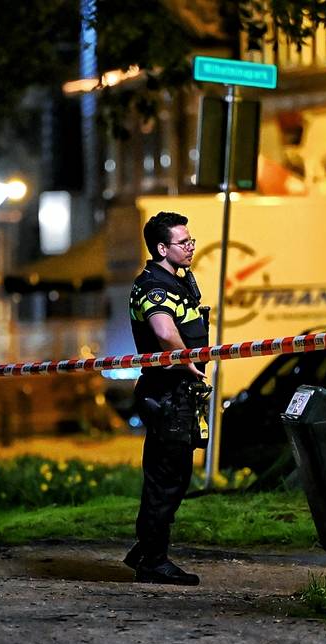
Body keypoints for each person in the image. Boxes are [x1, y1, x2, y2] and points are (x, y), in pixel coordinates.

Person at [123, 211, 210, 585]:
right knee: (165, 479)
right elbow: (163, 331)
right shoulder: (153, 288)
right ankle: (153, 561)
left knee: (176, 476)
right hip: (167, 393)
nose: (190, 247)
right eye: (183, 242)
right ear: (162, 248)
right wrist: (188, 362)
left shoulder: (176, 282)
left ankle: (145, 549)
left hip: (179, 394)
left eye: (191, 240)